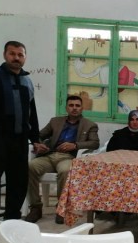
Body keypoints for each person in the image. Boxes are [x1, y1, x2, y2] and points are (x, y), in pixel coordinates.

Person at [25, 95, 99, 224]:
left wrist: (75, 145)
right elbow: (39, 135)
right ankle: (35, 207)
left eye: (77, 106)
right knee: (30, 167)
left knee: (65, 171)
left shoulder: (89, 125)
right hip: (50, 155)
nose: (74, 108)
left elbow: (95, 143)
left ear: (82, 108)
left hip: (68, 157)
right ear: (66, 108)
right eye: (71, 105)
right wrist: (38, 144)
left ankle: (61, 207)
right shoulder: (55, 121)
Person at [0, 41, 40, 220]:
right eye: (12, 54)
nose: (16, 58)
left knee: (18, 182)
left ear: (25, 57)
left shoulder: (27, 81)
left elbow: (32, 113)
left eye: (20, 55)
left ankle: (12, 220)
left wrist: (35, 139)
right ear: (5, 55)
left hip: (19, 141)